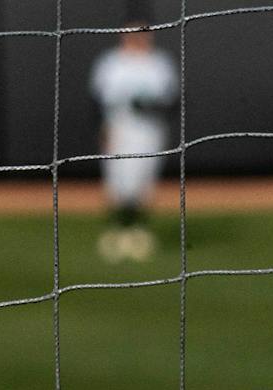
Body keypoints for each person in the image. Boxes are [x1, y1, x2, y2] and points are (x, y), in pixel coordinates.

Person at [89, 23, 179, 262]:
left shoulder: (159, 63)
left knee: (143, 182)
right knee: (118, 183)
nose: (137, 38)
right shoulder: (111, 62)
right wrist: (103, 130)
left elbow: (172, 101)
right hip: (119, 127)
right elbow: (97, 100)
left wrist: (148, 106)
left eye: (142, 33)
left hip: (150, 129)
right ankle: (118, 231)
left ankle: (138, 232)